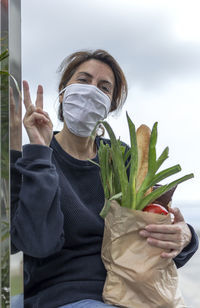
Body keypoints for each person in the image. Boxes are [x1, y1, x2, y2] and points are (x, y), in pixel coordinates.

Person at [10, 49, 199, 308]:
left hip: (130, 291)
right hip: (63, 294)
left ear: (110, 105)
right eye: (83, 80)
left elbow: (152, 233)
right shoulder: (33, 158)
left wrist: (186, 236)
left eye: (104, 87)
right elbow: (38, 244)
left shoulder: (124, 158)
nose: (91, 91)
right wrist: (41, 154)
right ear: (63, 93)